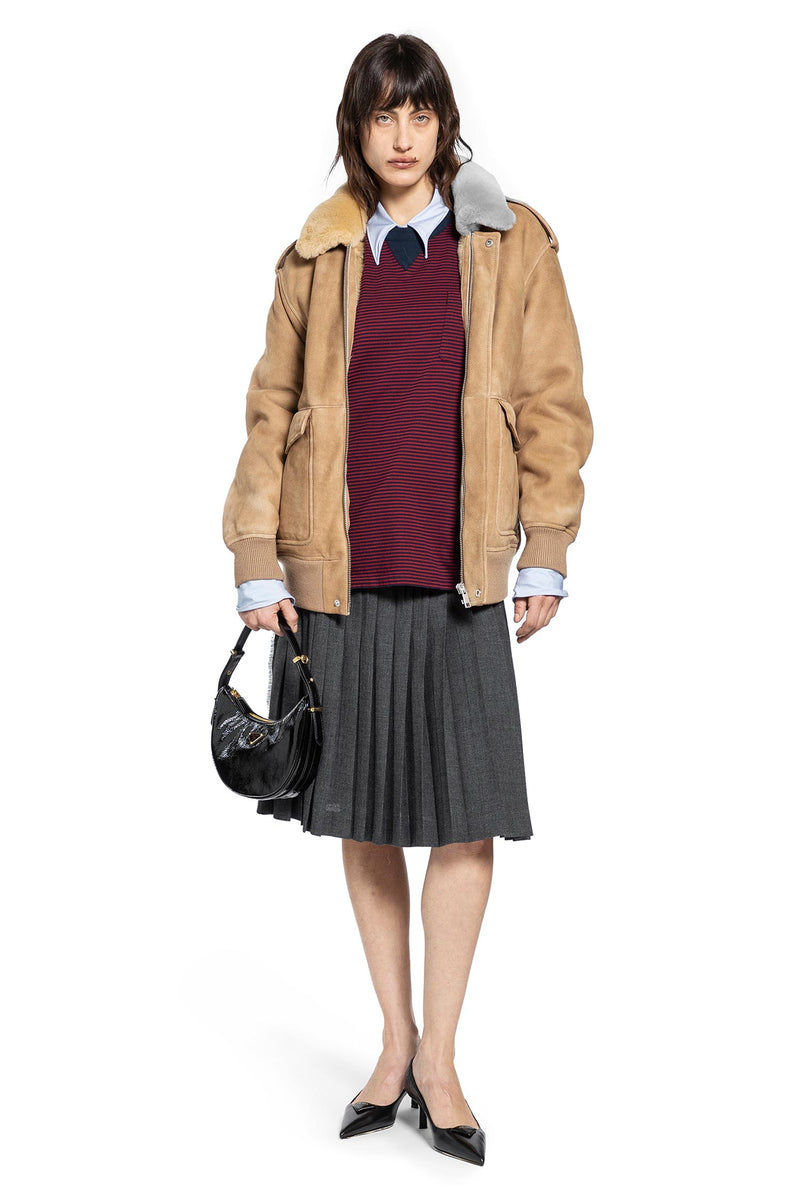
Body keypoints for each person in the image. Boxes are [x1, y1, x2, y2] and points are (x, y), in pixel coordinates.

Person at [221, 33, 593, 1166]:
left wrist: (545, 547)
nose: (400, 135)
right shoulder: (315, 257)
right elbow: (268, 413)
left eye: (418, 113)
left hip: (462, 575)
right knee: (366, 815)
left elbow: (553, 400)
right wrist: (256, 558)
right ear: (356, 128)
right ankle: (393, 1046)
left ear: (442, 124)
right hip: (338, 575)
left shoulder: (509, 242)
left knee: (467, 818)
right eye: (381, 114)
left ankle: (442, 1061)